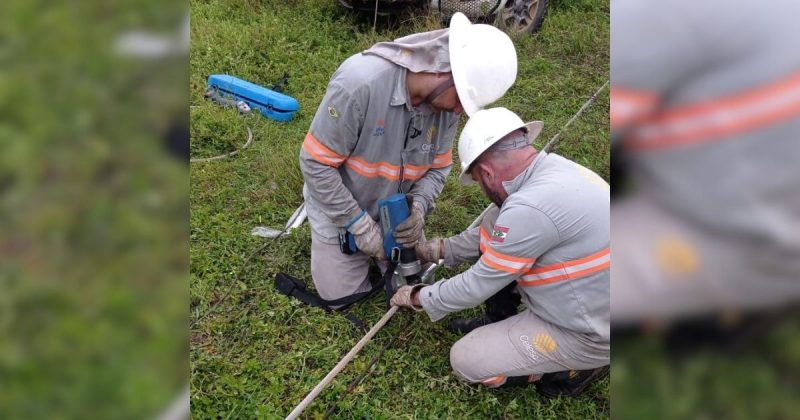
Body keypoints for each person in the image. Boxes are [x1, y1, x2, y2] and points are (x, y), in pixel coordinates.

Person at [299, 13, 517, 304]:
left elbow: (438, 169)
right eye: (461, 100)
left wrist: (418, 208)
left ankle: (385, 243)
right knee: (344, 297)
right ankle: (337, 242)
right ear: (443, 72)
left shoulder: (445, 107)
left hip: (396, 213)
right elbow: (316, 164)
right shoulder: (360, 83)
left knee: (420, 274)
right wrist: (360, 227)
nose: (458, 113)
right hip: (343, 208)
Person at [391, 107, 610, 396]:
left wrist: (419, 296)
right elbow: (498, 230)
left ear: (486, 172)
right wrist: (439, 249)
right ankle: (502, 320)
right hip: (600, 298)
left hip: (590, 331)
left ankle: (573, 367)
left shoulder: (529, 209)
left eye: (479, 182)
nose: (482, 187)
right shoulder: (554, 171)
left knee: (468, 359)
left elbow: (477, 284)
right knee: (496, 217)